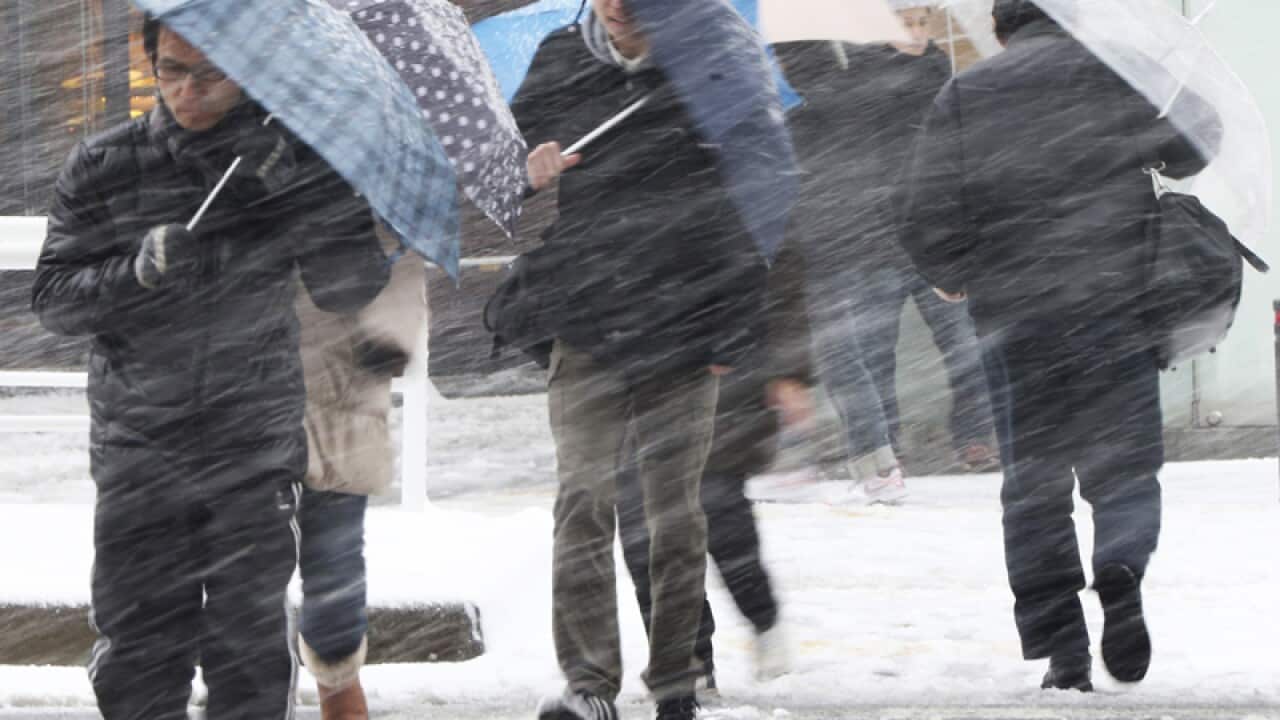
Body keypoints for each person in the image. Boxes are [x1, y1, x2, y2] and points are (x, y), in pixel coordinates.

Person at [31, 16, 389, 719]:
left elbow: (350, 287)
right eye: (170, 70)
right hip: (140, 444)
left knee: (249, 649)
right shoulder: (106, 163)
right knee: (139, 646)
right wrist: (134, 274)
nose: (187, 91)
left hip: (251, 444)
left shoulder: (288, 163)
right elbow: (53, 299)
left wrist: (308, 196)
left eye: (209, 74)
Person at [898, 0, 1218, 692]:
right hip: (1116, 304)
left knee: (1033, 484)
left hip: (1016, 317)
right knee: (1124, 465)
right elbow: (1198, 140)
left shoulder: (967, 91)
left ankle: (1063, 649)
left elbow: (923, 208)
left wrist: (953, 273)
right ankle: (1122, 565)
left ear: (1002, 27)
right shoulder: (1121, 70)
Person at [508, 0, 767, 718]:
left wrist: (733, 326)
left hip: (685, 318)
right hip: (587, 315)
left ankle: (676, 676)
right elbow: (509, 164)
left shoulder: (709, 60)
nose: (619, 5)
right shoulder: (563, 55)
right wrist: (530, 169)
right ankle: (589, 683)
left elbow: (756, 196)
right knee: (583, 499)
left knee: (672, 512)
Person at [616, 241, 813, 694]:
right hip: (640, 373)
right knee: (643, 527)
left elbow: (782, 283)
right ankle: (684, 657)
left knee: (717, 514)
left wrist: (789, 372)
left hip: (724, 371)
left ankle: (760, 616)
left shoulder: (743, 209)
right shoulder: (614, 204)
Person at [293, 226, 426, 720]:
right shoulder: (252, 195)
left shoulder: (379, 208)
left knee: (335, 577)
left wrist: (388, 336)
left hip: (342, 411)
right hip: (261, 405)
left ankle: (340, 692)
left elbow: (404, 272)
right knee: (247, 578)